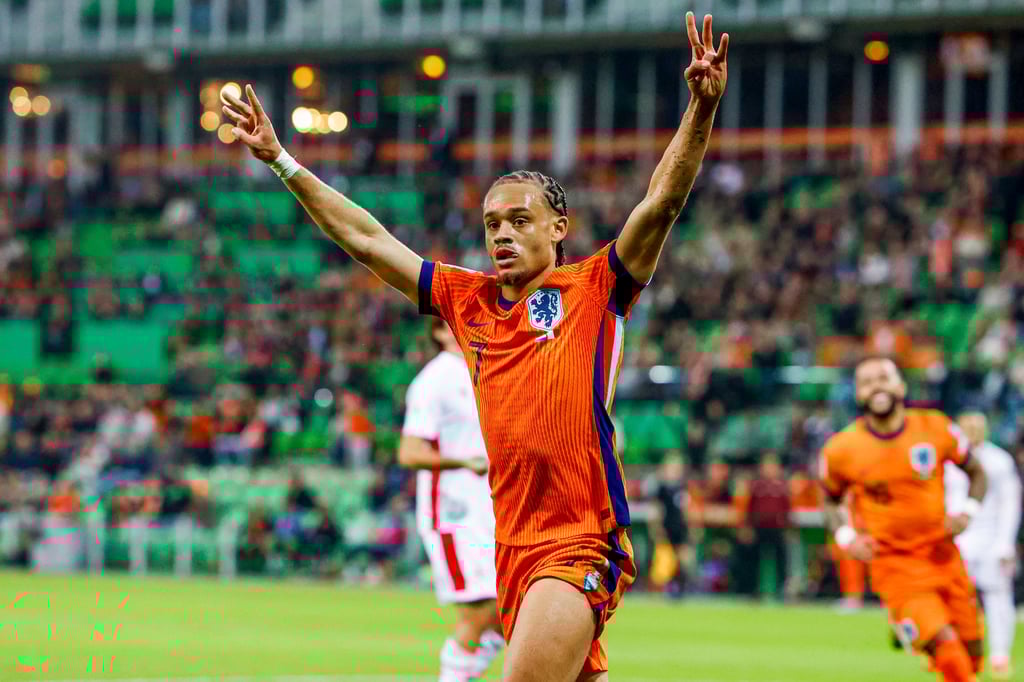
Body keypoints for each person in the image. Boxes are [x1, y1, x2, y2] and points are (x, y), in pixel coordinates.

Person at [221, 12, 728, 679]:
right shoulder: (469, 302)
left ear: (559, 228)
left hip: (579, 540)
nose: (502, 234)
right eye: (492, 224)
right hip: (510, 545)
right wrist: (282, 161)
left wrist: (700, 108)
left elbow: (660, 203)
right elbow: (368, 240)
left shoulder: (597, 286)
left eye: (520, 220)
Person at [819, 357, 988, 682]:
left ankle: (910, 629)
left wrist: (968, 510)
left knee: (972, 654)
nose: (876, 387)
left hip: (944, 555)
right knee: (949, 651)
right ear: (857, 394)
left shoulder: (935, 427)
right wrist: (846, 537)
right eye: (867, 382)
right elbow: (829, 498)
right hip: (894, 564)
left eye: (883, 378)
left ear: (901, 385)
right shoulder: (842, 449)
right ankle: (912, 623)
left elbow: (976, 471)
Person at [399, 318, 504, 682]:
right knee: (480, 609)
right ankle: (455, 670)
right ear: (440, 333)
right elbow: (410, 452)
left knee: (510, 609)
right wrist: (464, 462)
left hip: (490, 509)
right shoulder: (434, 380)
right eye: (454, 323)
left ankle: (463, 668)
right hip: (452, 513)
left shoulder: (485, 371)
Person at [944, 411, 1021, 680]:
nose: (973, 430)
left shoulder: (999, 460)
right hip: (957, 539)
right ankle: (958, 653)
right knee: (955, 600)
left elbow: (1010, 504)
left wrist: (1005, 543)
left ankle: (1000, 655)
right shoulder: (948, 460)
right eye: (968, 426)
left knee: (997, 596)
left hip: (991, 538)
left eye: (977, 426)